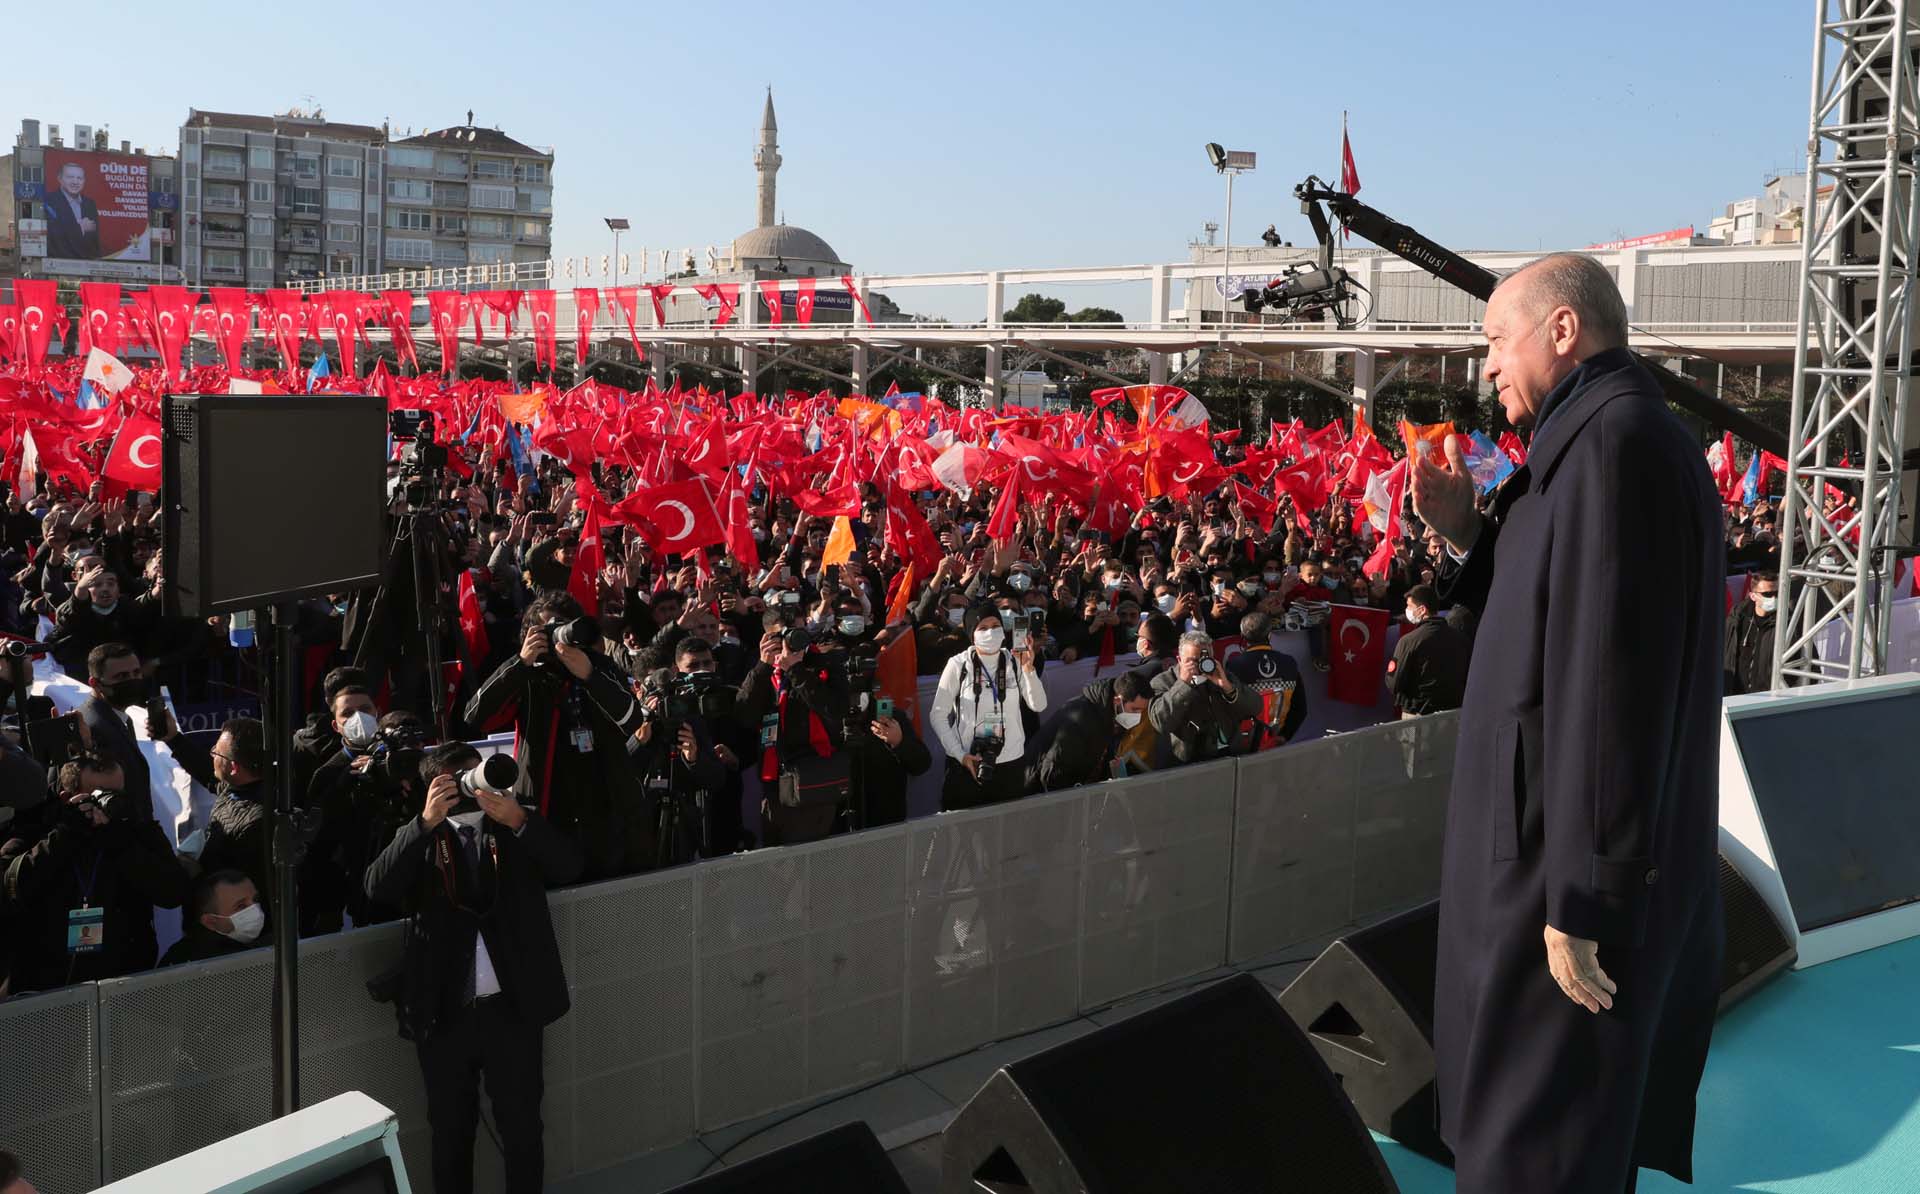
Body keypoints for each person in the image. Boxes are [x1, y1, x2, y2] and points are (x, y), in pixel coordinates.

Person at [1411, 252, 1723, 1193]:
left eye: (1497, 341)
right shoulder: (1594, 438)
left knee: (1537, 1149)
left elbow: (1607, 688)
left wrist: (1582, 899)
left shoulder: (1612, 445)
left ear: (1562, 330)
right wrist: (1465, 530)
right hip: (1544, 857)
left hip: (1554, 872)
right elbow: (1551, 602)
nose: (1488, 366)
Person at [365, 741, 582, 1194]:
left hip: (513, 1009)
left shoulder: (513, 828)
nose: (470, 786)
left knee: (523, 1129)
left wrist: (520, 821)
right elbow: (378, 888)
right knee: (450, 1134)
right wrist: (424, 823)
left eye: (475, 773)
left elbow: (569, 864)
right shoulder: (423, 837)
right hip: (444, 1013)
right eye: (456, 778)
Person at [465, 593, 651, 878]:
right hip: (549, 814)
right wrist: (521, 662)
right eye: (547, 628)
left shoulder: (597, 665)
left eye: (562, 625)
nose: (556, 634)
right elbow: (477, 717)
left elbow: (631, 719)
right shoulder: (525, 675)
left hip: (608, 811)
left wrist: (589, 675)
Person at [2, 755, 188, 993]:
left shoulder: (136, 830)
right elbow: (10, 888)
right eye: (99, 795)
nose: (110, 803)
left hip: (120, 983)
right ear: (67, 797)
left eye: (117, 794)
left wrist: (122, 845)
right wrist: (63, 838)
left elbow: (173, 892)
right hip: (49, 984)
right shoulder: (39, 828)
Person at [738, 623, 851, 845]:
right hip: (775, 781)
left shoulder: (824, 665)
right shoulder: (764, 672)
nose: (789, 642)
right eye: (780, 636)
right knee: (777, 860)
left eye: (794, 634)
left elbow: (834, 710)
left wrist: (796, 669)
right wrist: (763, 665)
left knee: (811, 858)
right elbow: (744, 715)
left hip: (815, 777)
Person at [929, 605, 1046, 810]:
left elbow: (1038, 704)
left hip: (1010, 764)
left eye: (995, 625)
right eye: (982, 628)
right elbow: (937, 715)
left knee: (1004, 835)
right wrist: (960, 755)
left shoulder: (1014, 661)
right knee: (961, 835)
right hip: (968, 763)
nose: (991, 632)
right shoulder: (958, 664)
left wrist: (1028, 667)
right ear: (971, 634)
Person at [191, 717, 276, 915]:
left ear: (234, 767)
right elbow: (208, 775)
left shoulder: (257, 822)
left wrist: (195, 873)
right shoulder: (237, 788)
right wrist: (173, 739)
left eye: (216, 753)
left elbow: (243, 891)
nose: (212, 756)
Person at [1025, 670, 1156, 791]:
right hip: (1036, 792)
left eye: (1141, 711)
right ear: (1117, 700)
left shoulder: (1109, 715)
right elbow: (1053, 772)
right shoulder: (1080, 720)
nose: (1137, 716)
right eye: (1134, 709)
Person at [1148, 631, 1259, 765]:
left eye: (1204, 659)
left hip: (1229, 756)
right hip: (1189, 762)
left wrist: (1228, 687)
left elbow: (1255, 707)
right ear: (1179, 660)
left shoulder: (1223, 677)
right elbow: (1161, 724)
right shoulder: (1163, 682)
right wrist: (1183, 685)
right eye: (1193, 661)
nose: (1199, 665)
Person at [1225, 611, 1309, 751]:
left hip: (1245, 744)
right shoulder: (1289, 663)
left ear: (1243, 637)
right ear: (1269, 635)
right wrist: (1284, 736)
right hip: (1275, 742)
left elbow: (1228, 709)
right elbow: (1301, 708)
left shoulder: (1234, 665)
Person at [1386, 584, 1470, 718]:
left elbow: (1394, 683)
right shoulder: (1460, 638)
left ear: (1422, 610)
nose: (1407, 610)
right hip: (1452, 715)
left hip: (1418, 716)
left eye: (1409, 606)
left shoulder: (1409, 641)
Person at [161, 870, 267, 965]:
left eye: (255, 899)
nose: (255, 909)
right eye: (241, 906)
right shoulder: (228, 963)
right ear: (210, 922)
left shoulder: (180, 950)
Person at [1723, 570, 1778, 695]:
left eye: (1777, 593)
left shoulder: (1788, 622)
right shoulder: (1737, 619)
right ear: (1753, 596)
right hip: (1734, 695)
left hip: (1768, 699)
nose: (1774, 598)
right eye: (1768, 594)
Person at [44, 160, 102, 260]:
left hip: (86, 263)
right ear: (60, 179)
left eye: (79, 178)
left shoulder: (90, 204)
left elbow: (94, 240)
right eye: (70, 177)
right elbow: (53, 235)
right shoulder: (49, 201)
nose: (75, 182)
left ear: (84, 181)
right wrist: (80, 227)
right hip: (58, 261)